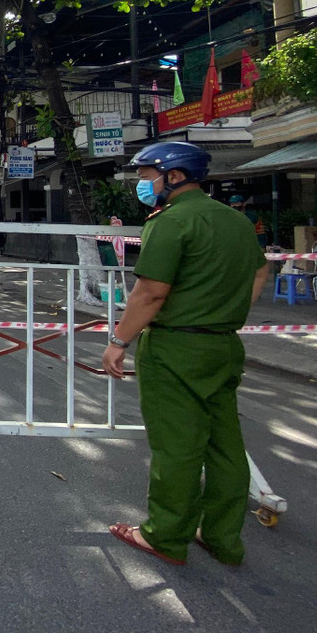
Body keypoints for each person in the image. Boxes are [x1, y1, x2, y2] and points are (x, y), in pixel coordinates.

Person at [102, 142, 269, 567]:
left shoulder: (172, 222)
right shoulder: (236, 221)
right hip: (223, 344)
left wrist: (119, 342)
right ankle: (223, 538)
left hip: (176, 346)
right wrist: (225, 310)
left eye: (146, 176)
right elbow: (261, 269)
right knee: (226, 446)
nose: (143, 184)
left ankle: (166, 535)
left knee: (177, 445)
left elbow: (152, 291)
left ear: (172, 176)